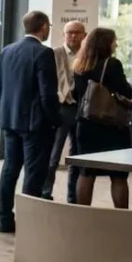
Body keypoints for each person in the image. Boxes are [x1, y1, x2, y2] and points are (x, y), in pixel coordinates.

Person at [0, 11, 60, 233]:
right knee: (33, 173)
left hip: (10, 120)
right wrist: (54, 120)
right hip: (36, 124)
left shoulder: (7, 50)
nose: (49, 29)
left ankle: (4, 219)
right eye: (48, 25)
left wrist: (8, 110)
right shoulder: (43, 53)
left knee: (10, 170)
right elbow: (47, 94)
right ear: (42, 27)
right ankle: (28, 223)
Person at [70, 27, 132, 208]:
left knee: (86, 173)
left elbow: (76, 95)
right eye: (114, 40)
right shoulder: (112, 64)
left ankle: (83, 216)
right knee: (118, 174)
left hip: (86, 124)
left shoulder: (80, 64)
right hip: (111, 126)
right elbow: (127, 92)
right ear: (105, 43)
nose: (116, 44)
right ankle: (122, 218)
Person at [43, 20, 86, 204]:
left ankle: (73, 196)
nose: (73, 36)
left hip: (81, 109)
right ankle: (45, 193)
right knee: (53, 154)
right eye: (70, 32)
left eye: (77, 32)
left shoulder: (87, 56)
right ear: (64, 34)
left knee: (77, 155)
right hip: (61, 108)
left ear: (84, 35)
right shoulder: (54, 54)